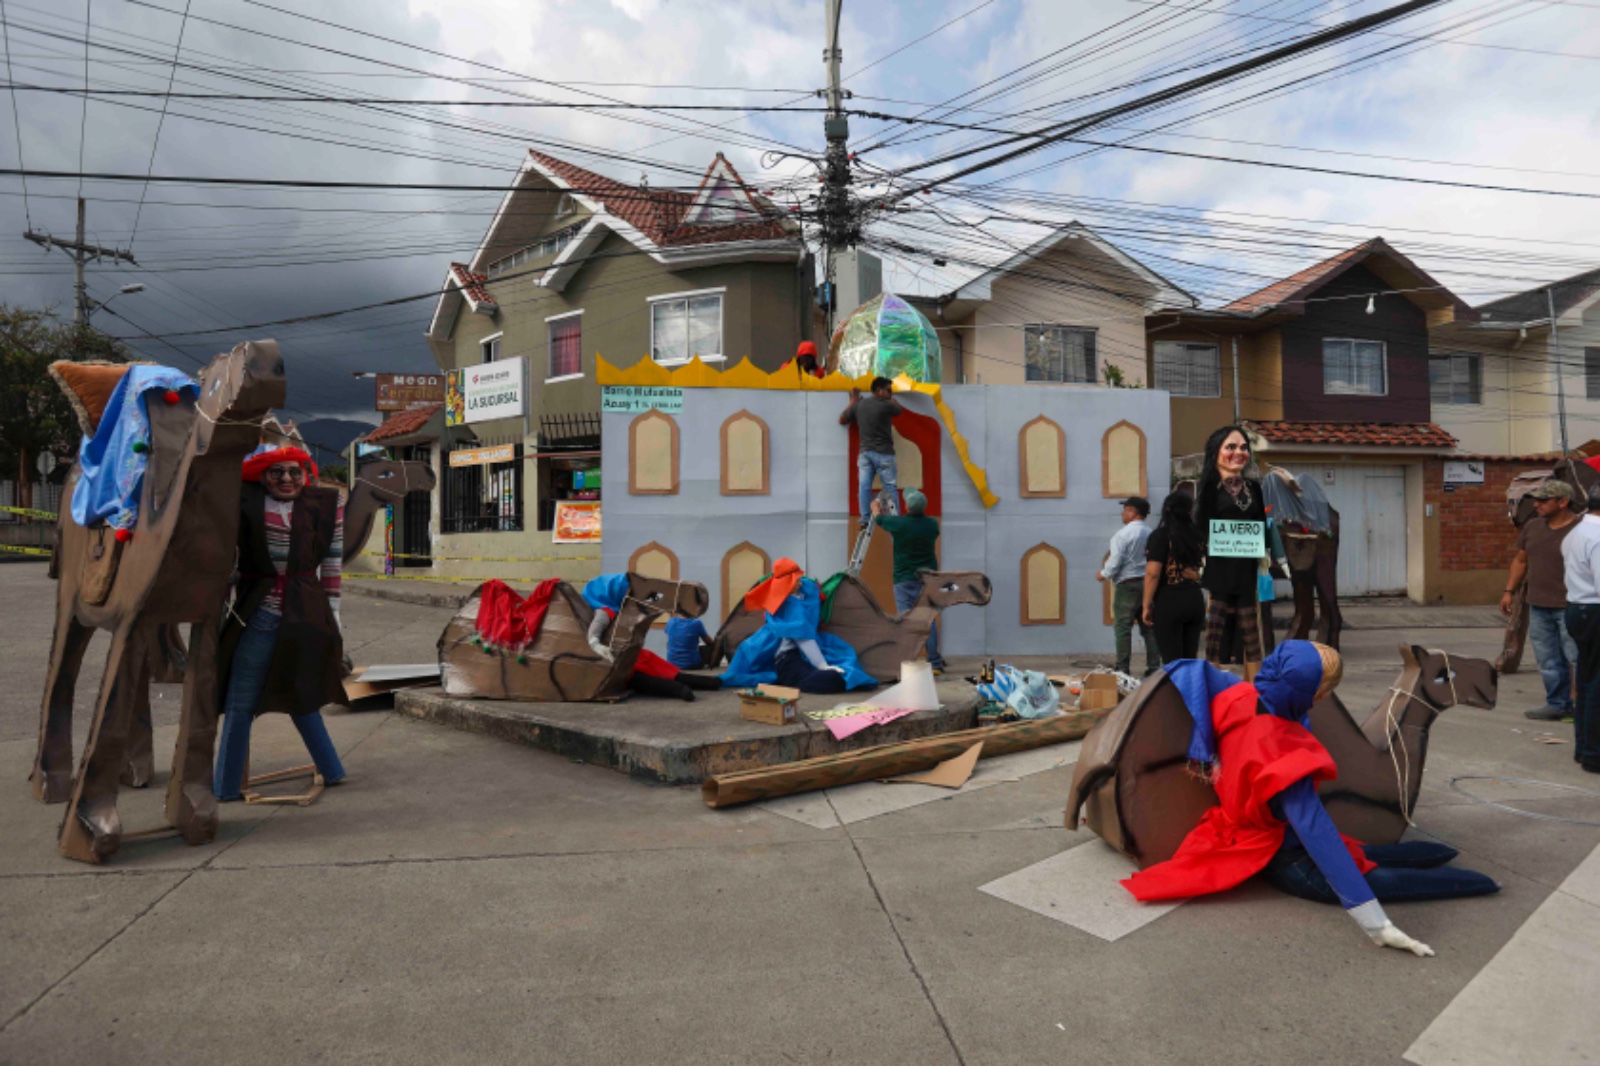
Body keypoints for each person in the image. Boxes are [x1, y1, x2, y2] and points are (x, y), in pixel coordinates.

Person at [1124, 641, 1499, 955]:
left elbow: (1197, 673)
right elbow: (1315, 830)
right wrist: (1375, 923)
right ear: (1313, 694)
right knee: (1385, 877)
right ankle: (1481, 882)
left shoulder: (1238, 697)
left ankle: (1442, 857)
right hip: (1286, 860)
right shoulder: (1283, 752)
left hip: (1254, 833)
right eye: (1323, 691)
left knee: (1373, 855)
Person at [214, 444, 348, 801]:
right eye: (276, 472)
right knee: (240, 702)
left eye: (294, 471)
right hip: (258, 613)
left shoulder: (325, 507)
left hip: (306, 611)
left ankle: (332, 769)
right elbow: (224, 553)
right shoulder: (243, 502)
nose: (287, 479)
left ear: (305, 474)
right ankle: (225, 786)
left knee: (302, 693)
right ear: (261, 476)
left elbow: (332, 563)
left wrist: (333, 614)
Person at [720, 558, 877, 694]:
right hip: (786, 659)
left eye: (799, 579)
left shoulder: (803, 592)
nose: (799, 583)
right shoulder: (786, 604)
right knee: (830, 678)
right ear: (785, 584)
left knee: (842, 657)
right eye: (795, 580)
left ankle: (832, 677)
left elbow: (806, 630)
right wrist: (823, 665)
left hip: (804, 650)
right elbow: (803, 638)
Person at [1501, 480, 1579, 721]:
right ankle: (1557, 704)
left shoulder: (1582, 529)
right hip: (1538, 605)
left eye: (1544, 500)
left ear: (1563, 502)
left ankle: (1581, 706)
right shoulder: (1533, 527)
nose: (1537, 505)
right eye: (1536, 500)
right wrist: (1509, 591)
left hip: (1573, 605)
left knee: (1576, 658)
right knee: (1547, 658)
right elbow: (1521, 560)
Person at [1195, 425, 1268, 676]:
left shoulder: (1254, 488)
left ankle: (1257, 687)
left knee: (1251, 635)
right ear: (1216, 451)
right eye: (1231, 447)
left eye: (1244, 447)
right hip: (1219, 570)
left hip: (1246, 571)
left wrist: (1265, 555)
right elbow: (1200, 528)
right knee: (1214, 632)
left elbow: (1260, 526)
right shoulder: (1207, 488)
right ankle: (1211, 683)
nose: (1239, 452)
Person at [581, 574, 721, 701]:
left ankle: (697, 685)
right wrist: (594, 642)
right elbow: (596, 633)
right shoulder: (604, 611)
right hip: (620, 661)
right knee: (648, 675)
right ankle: (694, 686)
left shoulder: (609, 607)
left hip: (630, 657)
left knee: (649, 672)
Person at [873, 489, 946, 674]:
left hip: (903, 580)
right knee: (928, 621)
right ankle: (935, 663)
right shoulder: (932, 525)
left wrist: (874, 507)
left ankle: (906, 662)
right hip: (927, 580)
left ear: (907, 506)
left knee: (905, 620)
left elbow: (879, 519)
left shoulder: (899, 524)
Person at [1561, 494, 1600, 773]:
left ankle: (1584, 747)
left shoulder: (1576, 531)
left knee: (1587, 681)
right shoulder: (1597, 535)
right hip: (1595, 610)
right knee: (1595, 684)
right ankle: (1594, 754)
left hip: (1577, 607)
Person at [1099, 496, 1159, 676]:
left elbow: (1116, 561)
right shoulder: (1151, 533)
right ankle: (1154, 667)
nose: (1122, 513)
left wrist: (1103, 574)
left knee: (1123, 628)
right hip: (1148, 585)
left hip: (1127, 586)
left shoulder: (1123, 535)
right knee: (1149, 628)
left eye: (1125, 509)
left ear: (1133, 512)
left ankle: (1123, 668)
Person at [1143, 492, 1206, 663]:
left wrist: (1146, 604)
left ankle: (1176, 689)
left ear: (1167, 510)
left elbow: (1152, 573)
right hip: (1195, 599)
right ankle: (1191, 689)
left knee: (1172, 661)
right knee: (1190, 659)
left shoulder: (1161, 536)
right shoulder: (1197, 536)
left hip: (1169, 600)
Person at [839, 376, 903, 527]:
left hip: (865, 453)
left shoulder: (860, 405)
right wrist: (894, 402)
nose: (891, 394)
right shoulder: (888, 405)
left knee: (864, 487)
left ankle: (865, 520)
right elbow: (898, 410)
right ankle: (894, 520)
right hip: (885, 454)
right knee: (890, 487)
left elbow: (842, 420)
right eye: (888, 390)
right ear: (879, 391)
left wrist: (853, 401)